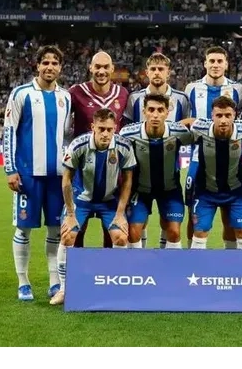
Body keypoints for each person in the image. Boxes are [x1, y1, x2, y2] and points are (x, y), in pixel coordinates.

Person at [3, 45, 72, 301]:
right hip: (27, 175)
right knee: (24, 229)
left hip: (57, 176)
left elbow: (67, 136)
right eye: (45, 62)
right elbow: (9, 131)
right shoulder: (21, 94)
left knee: (55, 230)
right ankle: (23, 282)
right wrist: (10, 169)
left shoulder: (66, 97)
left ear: (60, 68)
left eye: (54, 63)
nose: (49, 67)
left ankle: (55, 282)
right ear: (38, 65)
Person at [49, 108, 136, 306]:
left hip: (109, 201)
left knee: (121, 237)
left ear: (115, 128)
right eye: (101, 129)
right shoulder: (78, 145)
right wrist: (70, 214)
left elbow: (127, 181)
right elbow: (66, 180)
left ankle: (117, 287)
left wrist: (120, 214)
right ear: (93, 127)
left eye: (109, 129)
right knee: (68, 235)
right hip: (81, 200)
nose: (105, 133)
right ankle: (64, 289)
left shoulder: (124, 146)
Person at [182, 96, 242, 249]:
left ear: (235, 116)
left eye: (228, 115)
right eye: (219, 115)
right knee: (199, 233)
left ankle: (241, 264)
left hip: (236, 192)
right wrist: (171, 126)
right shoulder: (201, 127)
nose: (223, 120)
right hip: (206, 192)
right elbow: (189, 121)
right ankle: (196, 264)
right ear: (212, 116)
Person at [184, 46, 242, 249]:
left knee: (229, 213)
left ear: (226, 64)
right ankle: (192, 251)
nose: (215, 65)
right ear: (205, 63)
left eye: (219, 61)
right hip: (198, 158)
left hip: (229, 155)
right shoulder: (191, 88)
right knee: (193, 213)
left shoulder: (239, 90)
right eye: (211, 61)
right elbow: (186, 120)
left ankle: (230, 254)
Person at [124, 53, 190, 248]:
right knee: (137, 226)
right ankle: (142, 260)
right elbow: (127, 131)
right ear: (147, 72)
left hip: (169, 171)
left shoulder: (181, 99)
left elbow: (188, 127)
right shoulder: (135, 98)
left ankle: (164, 259)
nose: (157, 72)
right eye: (153, 69)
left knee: (169, 225)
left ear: (168, 72)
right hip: (140, 175)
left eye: (161, 69)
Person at [69, 51, 129, 249]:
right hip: (83, 172)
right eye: (97, 67)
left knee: (111, 231)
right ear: (90, 68)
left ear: (112, 69)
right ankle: (77, 267)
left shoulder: (123, 94)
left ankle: (107, 268)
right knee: (78, 229)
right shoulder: (75, 92)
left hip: (112, 171)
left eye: (105, 67)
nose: (101, 71)